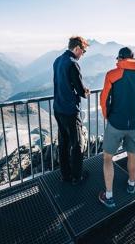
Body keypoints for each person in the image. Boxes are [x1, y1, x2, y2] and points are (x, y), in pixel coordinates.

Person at [99, 47, 135, 208]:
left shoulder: (112, 75)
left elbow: (104, 100)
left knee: (108, 158)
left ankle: (109, 196)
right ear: (133, 58)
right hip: (134, 124)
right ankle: (131, 185)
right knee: (132, 154)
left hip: (115, 123)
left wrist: (108, 116)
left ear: (120, 58)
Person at [53, 36, 90, 185]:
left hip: (58, 108)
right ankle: (77, 176)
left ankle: (65, 175)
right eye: (83, 51)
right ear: (77, 48)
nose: (83, 54)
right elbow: (80, 90)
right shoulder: (73, 64)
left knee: (63, 142)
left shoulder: (57, 61)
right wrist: (86, 92)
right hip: (70, 110)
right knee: (77, 144)